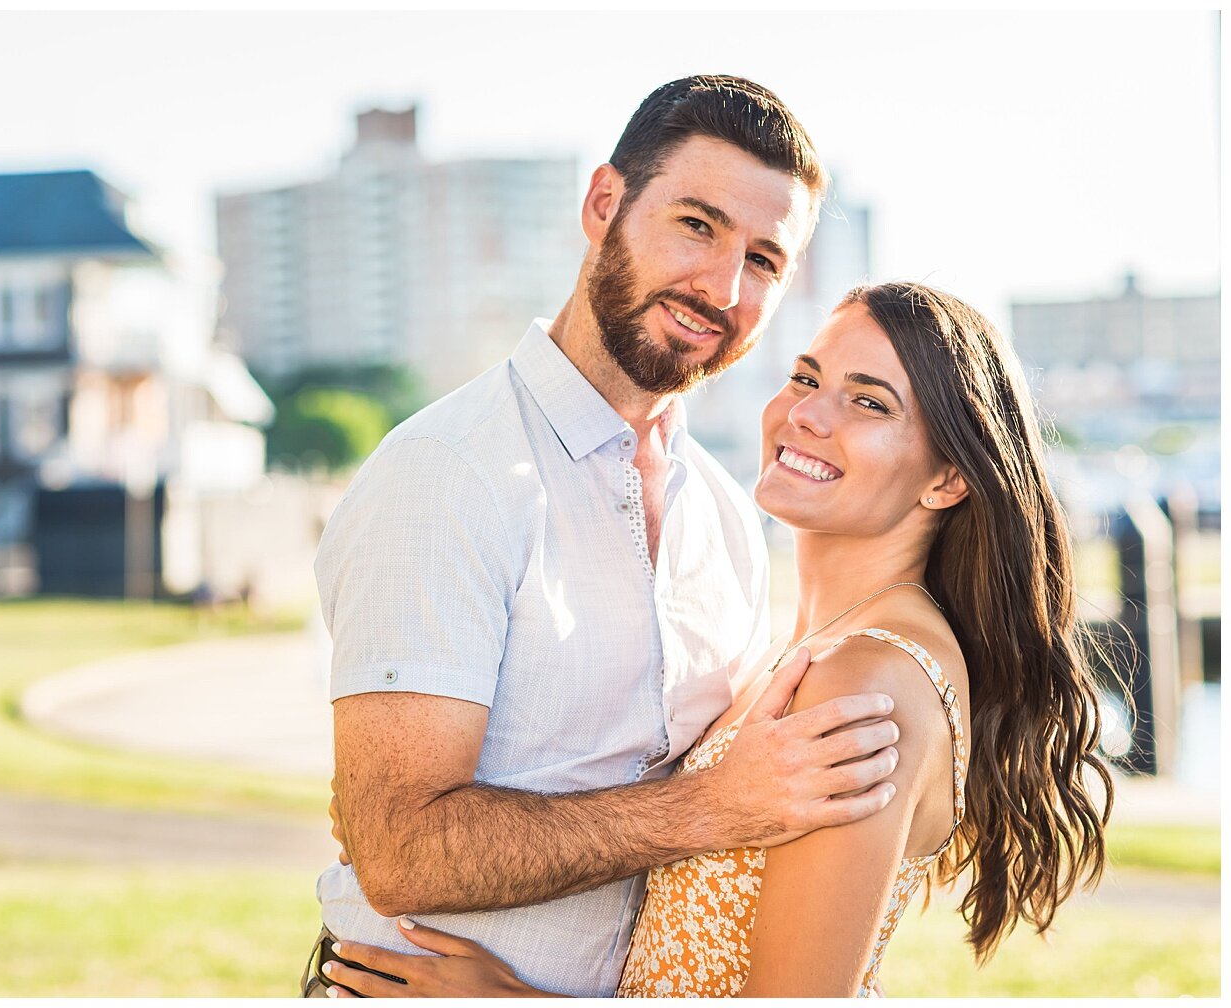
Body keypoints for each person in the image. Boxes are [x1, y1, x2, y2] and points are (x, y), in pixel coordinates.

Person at [320, 282, 1115, 997]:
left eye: (868, 403)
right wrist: (404, 811)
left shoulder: (867, 681)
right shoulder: (810, 646)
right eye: (807, 377)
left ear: (947, 479)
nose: (806, 412)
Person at [302, 76, 908, 998]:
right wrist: (710, 809)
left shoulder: (730, 517)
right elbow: (401, 855)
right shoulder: (445, 473)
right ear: (604, 204)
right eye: (697, 225)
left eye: (765, 261)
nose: (722, 287)